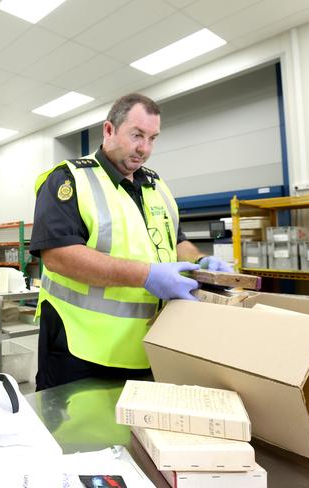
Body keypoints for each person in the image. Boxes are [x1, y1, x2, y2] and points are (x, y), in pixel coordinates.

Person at [30, 93, 232, 391]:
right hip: (80, 351)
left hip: (148, 348)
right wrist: (146, 275)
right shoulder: (70, 179)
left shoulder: (156, 185)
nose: (145, 149)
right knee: (73, 437)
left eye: (152, 138)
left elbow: (177, 241)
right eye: (137, 135)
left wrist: (200, 262)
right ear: (109, 130)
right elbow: (59, 256)